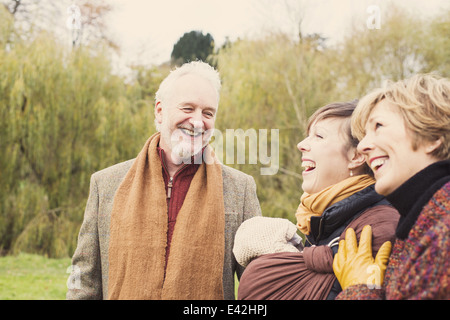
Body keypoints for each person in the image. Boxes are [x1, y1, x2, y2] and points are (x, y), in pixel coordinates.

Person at [66, 61, 262, 300]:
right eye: (187, 109)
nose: (198, 121)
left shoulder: (240, 189)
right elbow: (83, 280)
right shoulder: (105, 184)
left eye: (208, 113)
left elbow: (260, 285)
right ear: (160, 111)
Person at [234, 101, 399, 300]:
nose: (301, 145)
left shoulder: (378, 226)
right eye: (307, 135)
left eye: (319, 136)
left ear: (356, 156)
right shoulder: (325, 220)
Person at [333, 74, 450, 299]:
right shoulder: (418, 223)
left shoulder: (443, 232)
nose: (364, 146)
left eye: (378, 126)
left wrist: (359, 288)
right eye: (364, 135)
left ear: (433, 136)